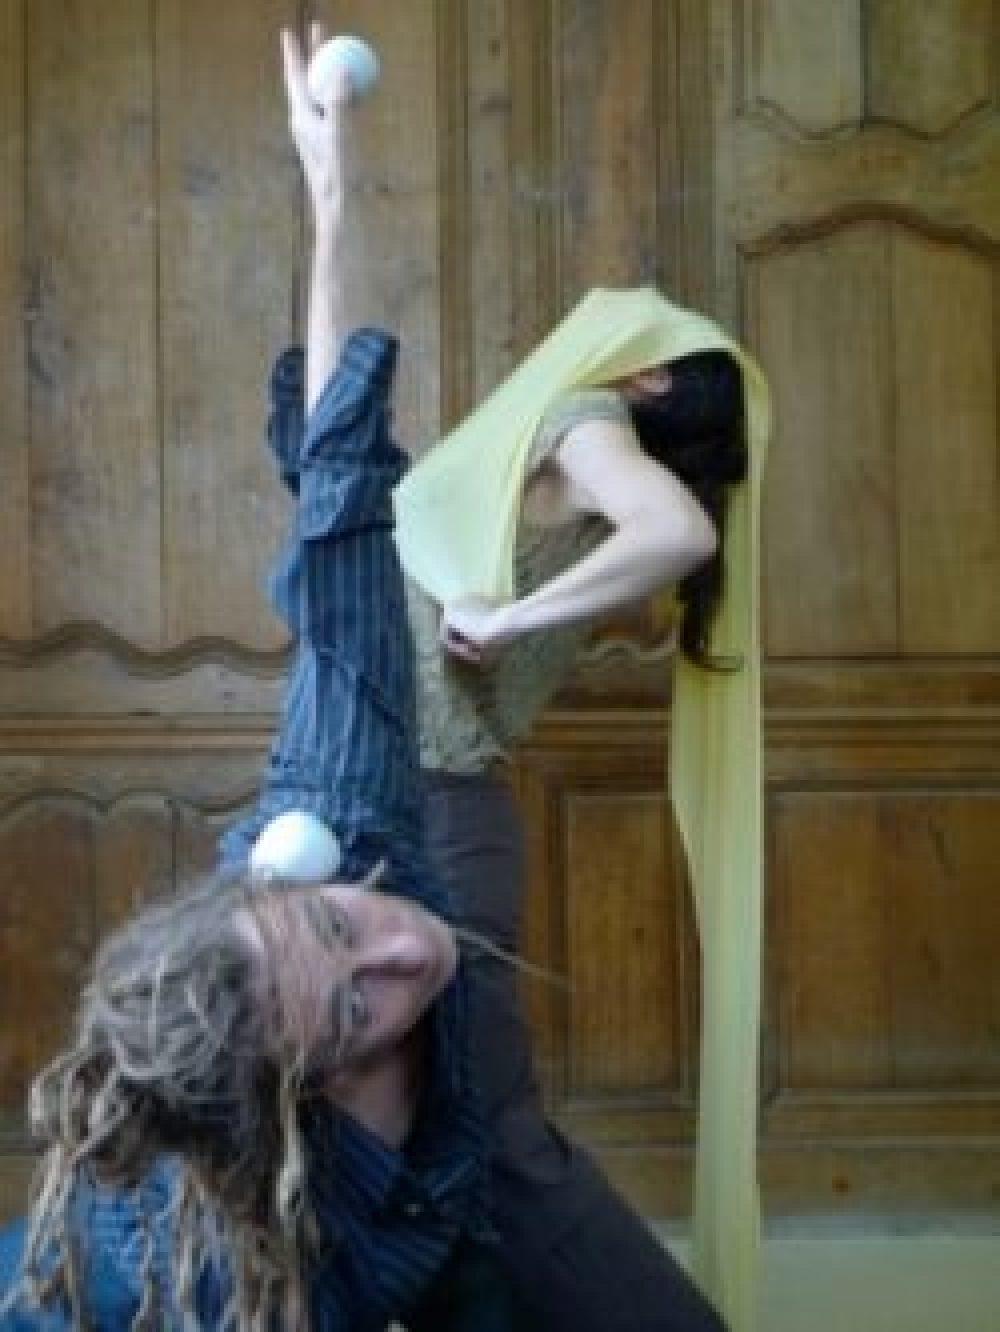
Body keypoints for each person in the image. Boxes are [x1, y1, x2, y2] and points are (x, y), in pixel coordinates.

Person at [0, 25, 530, 1332]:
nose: (403, 946)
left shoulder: (338, 827)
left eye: (341, 930)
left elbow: (339, 495)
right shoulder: (248, 1257)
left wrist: (332, 200)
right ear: (303, 1097)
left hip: (457, 1215)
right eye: (355, 1011)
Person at [266, 24, 770, 1331]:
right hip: (380, 797)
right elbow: (335, 435)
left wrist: (507, 617)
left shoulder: (583, 418)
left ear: (643, 371)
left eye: (634, 315)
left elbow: (680, 531)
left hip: (429, 811)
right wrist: (328, 193)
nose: (605, 303)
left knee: (494, 1141)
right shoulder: (535, 483)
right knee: (373, 1130)